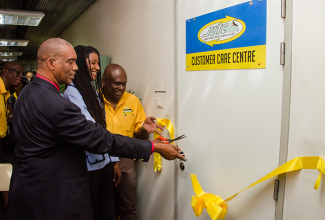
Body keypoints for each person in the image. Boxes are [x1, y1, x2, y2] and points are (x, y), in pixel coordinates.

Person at [4, 38, 183, 220]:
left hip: (28, 190)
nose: (76, 67)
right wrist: (155, 147)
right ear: (51, 63)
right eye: (70, 62)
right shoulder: (58, 104)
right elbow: (100, 138)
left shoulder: (27, 93)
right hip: (53, 197)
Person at [64, 45, 139, 219]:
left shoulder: (91, 91)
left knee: (108, 210)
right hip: (88, 166)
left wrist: (113, 161)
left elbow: (102, 127)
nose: (98, 67)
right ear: (81, 65)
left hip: (104, 163)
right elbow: (92, 130)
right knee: (92, 211)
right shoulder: (72, 93)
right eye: (93, 63)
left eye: (98, 63)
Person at [102, 63, 163, 220]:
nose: (121, 87)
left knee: (128, 207)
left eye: (124, 83)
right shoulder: (94, 101)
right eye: (117, 83)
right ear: (104, 81)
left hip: (125, 160)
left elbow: (139, 135)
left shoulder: (132, 101)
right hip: (101, 160)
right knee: (104, 206)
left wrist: (144, 128)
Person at [0, 62, 23, 217]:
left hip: (3, 143)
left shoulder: (6, 93)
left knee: (5, 181)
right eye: (18, 72)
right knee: (5, 183)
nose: (21, 76)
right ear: (6, 71)